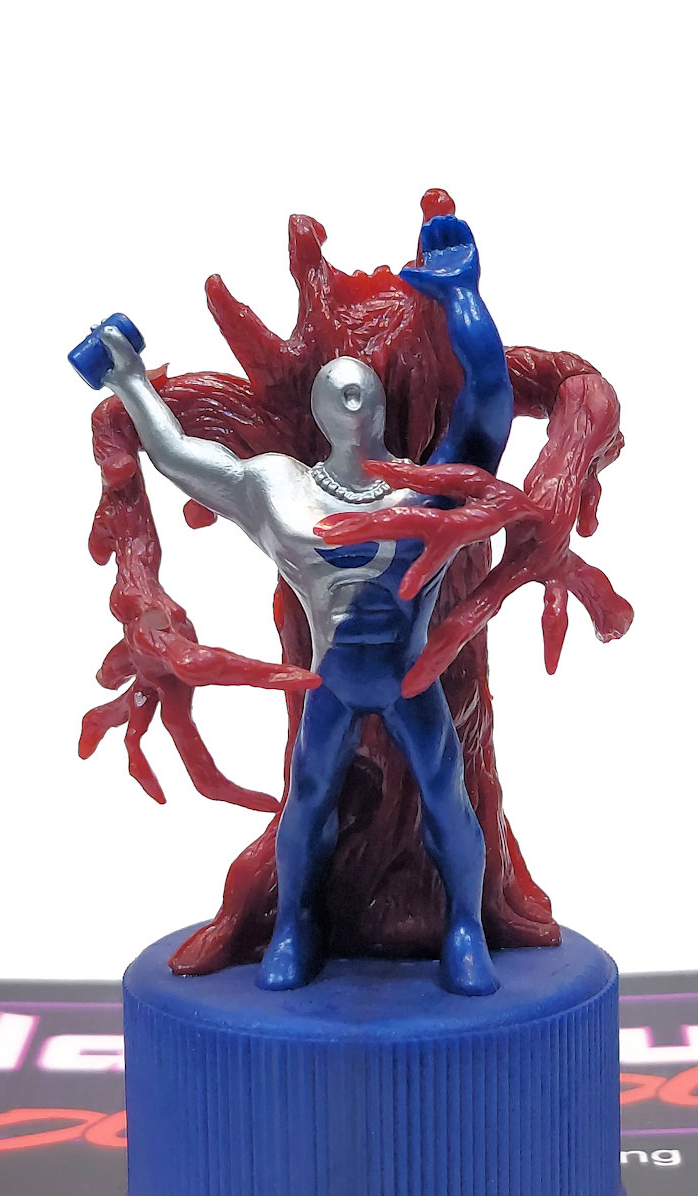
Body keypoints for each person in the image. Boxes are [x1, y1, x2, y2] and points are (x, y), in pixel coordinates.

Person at [99, 215, 514, 994]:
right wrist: (129, 380)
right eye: (338, 392)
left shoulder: (424, 490)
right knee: (309, 799)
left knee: (444, 793)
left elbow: (488, 407)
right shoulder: (279, 491)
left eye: (364, 392)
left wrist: (464, 297)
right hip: (332, 680)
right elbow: (180, 456)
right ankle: (293, 923)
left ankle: (464, 925)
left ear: (381, 406)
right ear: (319, 412)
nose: (352, 401)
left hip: (410, 678)